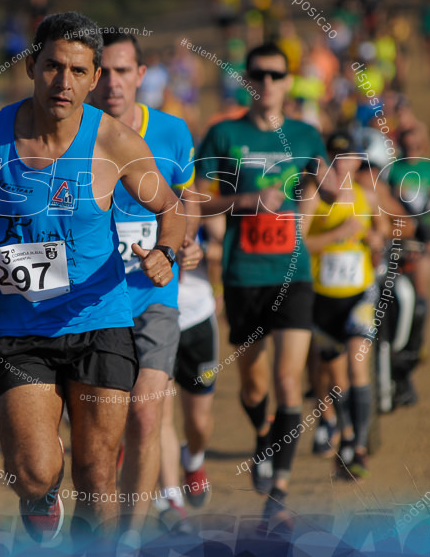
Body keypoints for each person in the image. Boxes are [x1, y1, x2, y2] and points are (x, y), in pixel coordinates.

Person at [0, 12, 187, 546]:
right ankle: (41, 497)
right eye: (52, 66)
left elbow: (172, 206)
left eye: (78, 71)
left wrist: (165, 251)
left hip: (100, 322)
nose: (63, 82)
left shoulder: (115, 142)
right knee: (34, 470)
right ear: (32, 65)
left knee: (98, 476)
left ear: (95, 77)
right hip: (20, 329)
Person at [195, 42, 333, 529]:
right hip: (243, 275)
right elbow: (195, 203)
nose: (268, 83)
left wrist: (325, 196)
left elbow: (324, 183)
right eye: (259, 74)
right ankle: (262, 437)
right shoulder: (223, 135)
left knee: (288, 381)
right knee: (253, 387)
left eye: (277, 75)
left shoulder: (306, 135)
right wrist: (249, 200)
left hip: (292, 275)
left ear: (289, 81)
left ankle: (280, 491)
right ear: (248, 81)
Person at [86, 31, 199, 538]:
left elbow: (184, 200)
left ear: (141, 75)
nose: (113, 82)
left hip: (155, 294)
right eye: (104, 71)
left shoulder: (173, 132)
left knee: (146, 416)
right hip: (90, 300)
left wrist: (181, 246)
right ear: (91, 76)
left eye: (123, 71)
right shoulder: (73, 134)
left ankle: (130, 540)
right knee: (97, 433)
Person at [305, 131, 388, 479]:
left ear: (356, 161)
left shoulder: (366, 196)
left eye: (348, 158)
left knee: (356, 369)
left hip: (360, 296)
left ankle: (361, 447)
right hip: (322, 299)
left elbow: (383, 234)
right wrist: (337, 236)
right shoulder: (313, 197)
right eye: (334, 158)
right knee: (336, 379)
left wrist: (374, 238)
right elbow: (298, 244)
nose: (341, 166)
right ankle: (347, 432)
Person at [155, 224, 218, 530]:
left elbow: (221, 238)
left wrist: (201, 248)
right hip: (152, 317)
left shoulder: (192, 192)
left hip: (197, 318)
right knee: (160, 414)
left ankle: (192, 460)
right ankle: (172, 501)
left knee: (199, 423)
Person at [386, 126, 430, 406]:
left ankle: (408, 362)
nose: (411, 152)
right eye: (406, 147)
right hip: (396, 233)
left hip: (422, 234)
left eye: (416, 147)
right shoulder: (391, 170)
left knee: (419, 300)